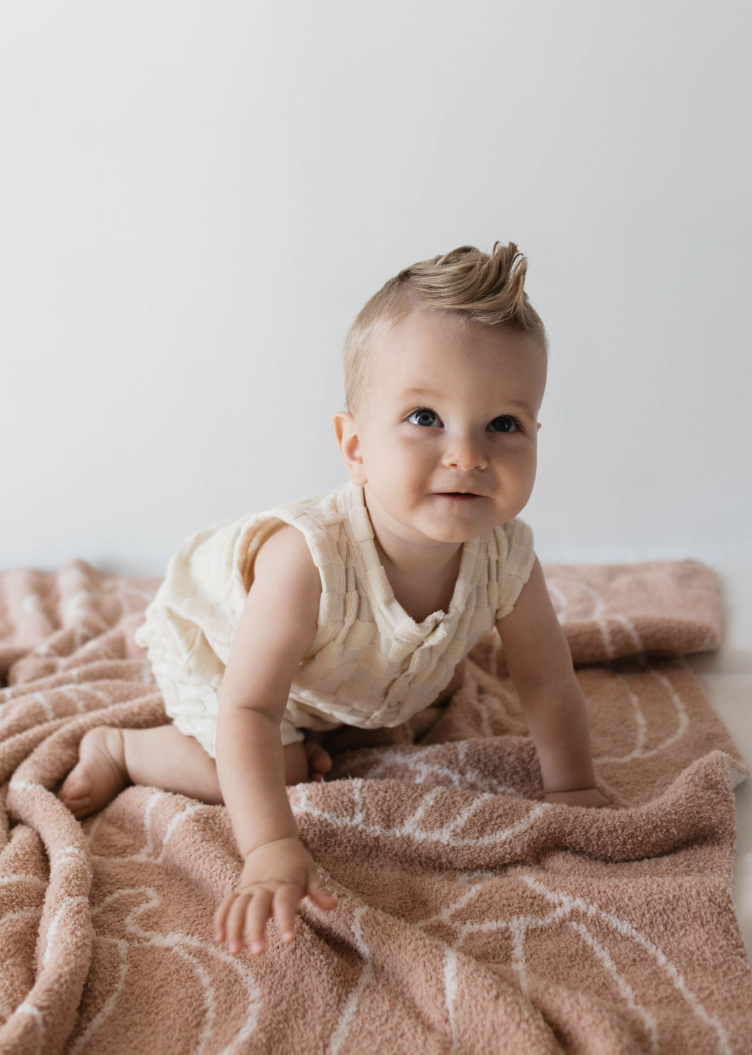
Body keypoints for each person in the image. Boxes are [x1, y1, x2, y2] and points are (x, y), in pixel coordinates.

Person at [57, 240, 612, 959]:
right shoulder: (307, 562)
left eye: (504, 425)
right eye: (424, 417)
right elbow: (249, 706)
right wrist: (269, 847)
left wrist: (572, 788)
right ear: (353, 447)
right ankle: (128, 748)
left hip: (331, 674)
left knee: (374, 714)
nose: (468, 456)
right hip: (228, 655)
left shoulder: (507, 554)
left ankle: (331, 719)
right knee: (279, 767)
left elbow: (546, 678)